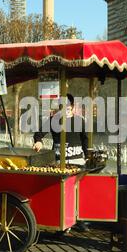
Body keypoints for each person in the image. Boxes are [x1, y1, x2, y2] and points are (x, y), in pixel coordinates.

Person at [33, 94, 90, 232]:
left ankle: (78, 219)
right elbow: (38, 134)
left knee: (77, 191)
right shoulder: (52, 120)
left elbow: (86, 139)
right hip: (58, 162)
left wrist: (87, 156)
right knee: (61, 191)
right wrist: (38, 141)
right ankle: (60, 219)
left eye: (68, 106)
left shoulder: (80, 121)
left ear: (72, 107)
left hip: (77, 160)